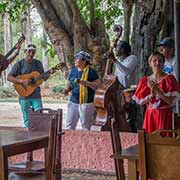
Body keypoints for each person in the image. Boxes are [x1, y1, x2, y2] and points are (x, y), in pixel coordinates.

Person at [132, 51, 180, 133]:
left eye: (160, 60)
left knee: (164, 140)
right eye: (154, 61)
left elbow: (170, 102)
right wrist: (151, 95)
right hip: (150, 115)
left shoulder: (169, 80)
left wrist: (158, 92)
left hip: (164, 115)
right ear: (150, 64)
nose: (157, 63)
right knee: (150, 141)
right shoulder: (145, 81)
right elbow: (140, 102)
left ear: (163, 63)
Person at [7, 44, 47, 128]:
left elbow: (43, 78)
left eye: (33, 52)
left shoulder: (38, 63)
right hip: (24, 95)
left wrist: (48, 74)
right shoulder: (20, 64)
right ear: (25, 52)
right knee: (27, 120)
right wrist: (21, 81)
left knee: (39, 116)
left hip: (36, 95)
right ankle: (28, 137)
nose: (31, 53)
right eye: (29, 51)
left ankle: (38, 137)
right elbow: (9, 77)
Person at [64, 50, 100, 130]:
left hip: (86, 103)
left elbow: (97, 85)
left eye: (78, 58)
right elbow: (69, 83)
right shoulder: (73, 71)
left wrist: (83, 82)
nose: (76, 60)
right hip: (73, 101)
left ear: (84, 61)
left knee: (85, 127)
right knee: (69, 126)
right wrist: (66, 90)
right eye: (76, 58)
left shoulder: (91, 72)